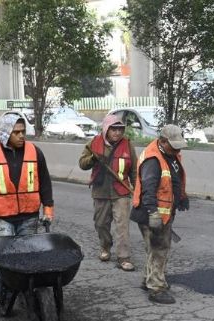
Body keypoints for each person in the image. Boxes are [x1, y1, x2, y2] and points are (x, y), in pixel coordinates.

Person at [0, 115, 55, 307]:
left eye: (23, 132)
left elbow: (45, 183)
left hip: (29, 216)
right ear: (5, 133)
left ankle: (27, 292)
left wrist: (48, 210)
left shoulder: (35, 152)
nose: (21, 136)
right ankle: (5, 290)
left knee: (28, 259)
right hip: (3, 218)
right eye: (16, 132)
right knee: (6, 262)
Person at [132, 124, 190, 304]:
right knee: (159, 249)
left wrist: (181, 196)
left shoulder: (169, 154)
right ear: (163, 141)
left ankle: (148, 279)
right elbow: (148, 189)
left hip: (162, 212)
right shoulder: (153, 160)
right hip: (152, 213)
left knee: (153, 248)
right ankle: (156, 288)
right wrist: (153, 214)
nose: (177, 149)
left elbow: (172, 179)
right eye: (174, 145)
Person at [79, 115, 137, 271]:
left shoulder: (127, 146)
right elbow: (82, 164)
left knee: (122, 226)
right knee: (101, 224)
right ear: (106, 129)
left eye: (120, 129)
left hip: (121, 192)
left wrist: (137, 190)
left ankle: (123, 257)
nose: (117, 133)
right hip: (101, 192)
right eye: (114, 129)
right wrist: (93, 158)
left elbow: (134, 170)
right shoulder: (93, 143)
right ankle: (105, 247)